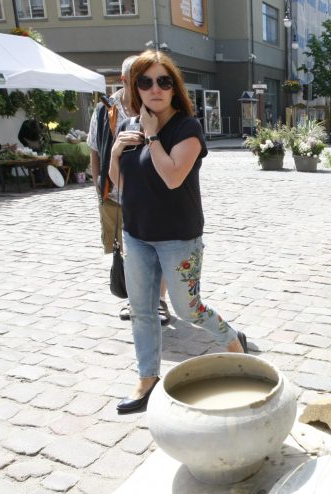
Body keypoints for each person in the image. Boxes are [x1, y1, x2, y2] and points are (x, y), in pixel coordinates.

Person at [107, 50, 246, 414]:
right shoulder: (126, 127)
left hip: (178, 237)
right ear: (135, 87)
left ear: (174, 88)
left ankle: (233, 342)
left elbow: (172, 177)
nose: (155, 89)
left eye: (163, 81)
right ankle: (147, 378)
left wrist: (153, 138)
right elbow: (119, 182)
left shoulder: (187, 128)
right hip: (137, 235)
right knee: (142, 310)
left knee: (188, 309)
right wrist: (115, 153)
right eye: (146, 81)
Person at [88, 55, 171, 325]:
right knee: (126, 248)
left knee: (158, 247)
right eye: (140, 80)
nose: (147, 86)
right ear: (124, 81)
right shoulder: (105, 109)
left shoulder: (155, 105)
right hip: (114, 191)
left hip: (151, 193)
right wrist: (98, 184)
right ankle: (134, 298)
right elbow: (94, 147)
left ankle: (158, 300)